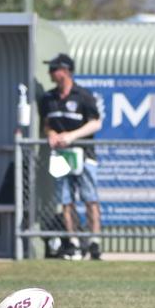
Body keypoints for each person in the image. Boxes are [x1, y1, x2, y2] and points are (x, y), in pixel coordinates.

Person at [39, 53, 103, 260]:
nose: (50, 73)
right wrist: (52, 135)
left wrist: (71, 136)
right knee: (66, 200)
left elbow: (95, 122)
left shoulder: (83, 95)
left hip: (84, 154)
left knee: (90, 198)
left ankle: (95, 242)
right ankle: (73, 242)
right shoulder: (48, 99)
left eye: (54, 69)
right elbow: (47, 125)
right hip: (61, 156)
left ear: (65, 71)